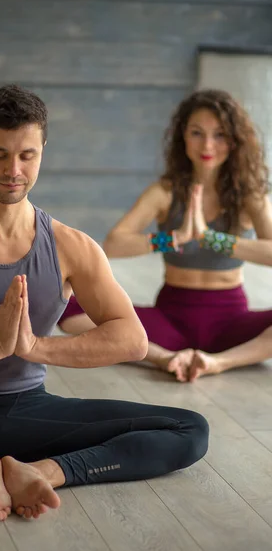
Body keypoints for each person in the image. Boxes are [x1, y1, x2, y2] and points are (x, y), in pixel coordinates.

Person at [0, 85, 208, 522]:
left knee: (190, 429)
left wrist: (34, 348)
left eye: (27, 155)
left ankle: (41, 472)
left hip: (31, 413)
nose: (13, 169)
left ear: (42, 151)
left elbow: (132, 340)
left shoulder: (72, 246)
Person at [59, 89, 272, 383]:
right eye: (197, 133)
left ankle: (218, 363)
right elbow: (114, 244)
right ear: (183, 137)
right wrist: (171, 239)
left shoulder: (250, 196)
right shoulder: (166, 191)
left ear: (234, 140)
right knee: (66, 310)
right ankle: (162, 358)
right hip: (171, 318)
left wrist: (213, 239)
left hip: (230, 320)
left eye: (220, 134)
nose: (208, 144)